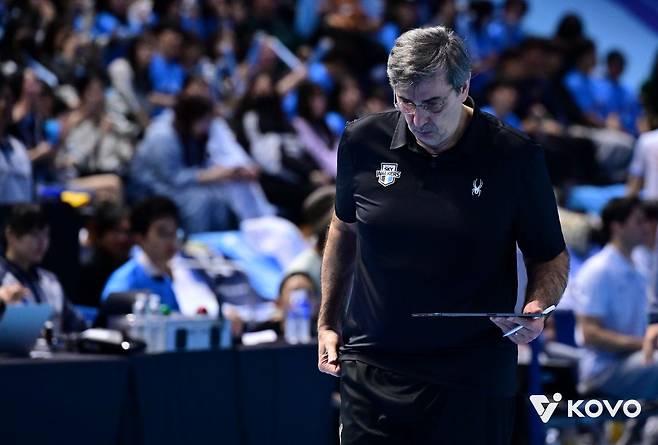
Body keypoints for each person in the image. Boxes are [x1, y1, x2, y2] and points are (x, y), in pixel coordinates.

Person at [317, 26, 569, 444]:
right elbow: (344, 229)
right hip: (373, 367)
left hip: (472, 377)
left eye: (432, 103)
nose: (418, 119)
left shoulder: (515, 158)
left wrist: (537, 307)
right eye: (405, 102)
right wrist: (327, 321)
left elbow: (550, 255)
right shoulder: (362, 141)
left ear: (463, 87)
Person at [571, 197, 658, 399]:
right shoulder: (598, 271)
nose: (646, 227)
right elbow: (590, 333)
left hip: (635, 359)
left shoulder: (640, 269)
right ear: (617, 227)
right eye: (639, 221)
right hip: (603, 371)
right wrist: (643, 343)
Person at [101, 196, 221, 317]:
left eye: (174, 233)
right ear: (140, 238)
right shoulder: (124, 281)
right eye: (162, 233)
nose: (171, 241)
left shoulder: (168, 278)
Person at [0, 204, 86, 333]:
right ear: (11, 235)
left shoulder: (50, 281)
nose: (42, 242)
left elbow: (79, 326)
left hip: (55, 346)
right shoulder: (2, 276)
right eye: (34, 234)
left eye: (46, 234)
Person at [76, 201, 133, 307]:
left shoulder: (134, 269)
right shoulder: (87, 271)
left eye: (128, 232)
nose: (123, 239)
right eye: (117, 231)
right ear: (100, 233)